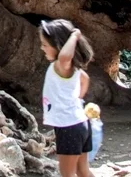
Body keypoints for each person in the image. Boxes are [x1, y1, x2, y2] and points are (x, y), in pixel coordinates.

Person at [39, 19, 95, 177]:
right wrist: (77, 99)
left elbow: (64, 57)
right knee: (83, 171)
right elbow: (85, 79)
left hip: (68, 127)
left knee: (67, 174)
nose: (42, 48)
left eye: (45, 44)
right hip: (80, 122)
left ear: (59, 45)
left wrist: (75, 36)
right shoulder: (74, 69)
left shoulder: (61, 65)